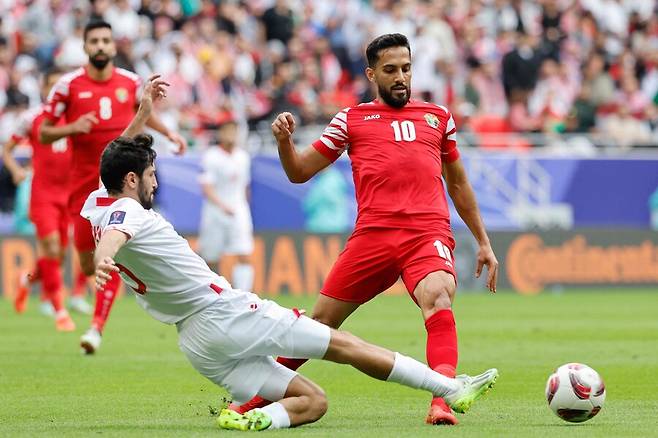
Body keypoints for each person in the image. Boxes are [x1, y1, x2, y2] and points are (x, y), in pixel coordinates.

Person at [85, 76, 498, 431]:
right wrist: (104, 256)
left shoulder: (98, 201)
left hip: (194, 341)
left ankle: (257, 420)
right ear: (133, 179)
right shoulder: (125, 212)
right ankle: (449, 388)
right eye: (152, 176)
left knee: (313, 402)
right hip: (223, 313)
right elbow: (118, 231)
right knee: (343, 345)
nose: (155, 185)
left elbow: (116, 160)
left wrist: (141, 113)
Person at [234, 33, 499, 426]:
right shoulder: (351, 119)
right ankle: (253, 400)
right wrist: (285, 143)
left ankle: (442, 400)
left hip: (427, 234)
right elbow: (299, 172)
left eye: (406, 69)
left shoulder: (438, 117)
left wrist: (482, 241)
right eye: (391, 70)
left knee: (439, 296)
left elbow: (458, 183)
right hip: (373, 236)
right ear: (372, 74)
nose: (401, 78)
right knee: (319, 325)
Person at [39, 20, 187, 354]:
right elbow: (44, 133)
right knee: (88, 264)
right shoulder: (67, 85)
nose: (102, 46)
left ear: (113, 44)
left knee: (113, 247)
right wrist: (73, 127)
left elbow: (143, 113)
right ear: (85, 45)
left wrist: (170, 133)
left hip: (119, 184)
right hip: (82, 186)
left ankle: (96, 328)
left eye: (106, 40)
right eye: (95, 41)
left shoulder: (131, 81)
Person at [1, 68, 86, 330]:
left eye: (57, 86)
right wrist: (16, 170)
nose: (53, 91)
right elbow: (7, 149)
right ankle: (59, 309)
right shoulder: (33, 118)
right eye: (49, 85)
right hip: (43, 193)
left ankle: (27, 281)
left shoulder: (75, 118)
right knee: (49, 245)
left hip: (68, 194)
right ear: (42, 88)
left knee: (57, 254)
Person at [198, 117, 254, 291]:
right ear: (220, 133)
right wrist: (222, 206)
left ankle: (244, 295)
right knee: (211, 256)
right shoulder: (211, 156)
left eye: (234, 131)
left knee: (244, 253)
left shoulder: (243, 157)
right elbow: (206, 187)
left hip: (239, 211)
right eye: (228, 130)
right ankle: (212, 292)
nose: (231, 135)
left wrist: (243, 206)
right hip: (215, 212)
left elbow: (245, 186)